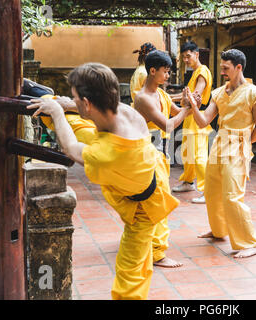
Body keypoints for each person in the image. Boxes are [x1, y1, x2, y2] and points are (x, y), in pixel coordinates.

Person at [27, 62, 179, 300]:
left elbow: (70, 148)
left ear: (87, 103)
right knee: (79, 124)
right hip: (141, 167)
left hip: (144, 209)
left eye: (76, 98)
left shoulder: (104, 155)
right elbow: (87, 120)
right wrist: (65, 104)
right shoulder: (126, 112)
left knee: (130, 273)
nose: (73, 101)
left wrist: (57, 112)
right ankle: (45, 97)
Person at [187, 49, 256, 258]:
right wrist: (194, 106)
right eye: (221, 67)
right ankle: (219, 230)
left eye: (226, 68)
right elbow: (204, 120)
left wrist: (245, 143)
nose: (222, 71)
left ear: (238, 67)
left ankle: (250, 243)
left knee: (232, 195)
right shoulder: (219, 93)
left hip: (238, 147)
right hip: (219, 144)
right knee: (212, 192)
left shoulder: (255, 94)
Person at [134, 50, 192, 268]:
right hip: (146, 154)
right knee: (158, 203)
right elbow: (168, 124)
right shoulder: (143, 99)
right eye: (166, 72)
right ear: (152, 70)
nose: (168, 76)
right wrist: (186, 111)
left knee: (155, 201)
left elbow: (177, 111)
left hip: (161, 154)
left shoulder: (162, 94)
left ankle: (148, 245)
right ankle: (158, 253)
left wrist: (188, 104)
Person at [170, 41, 213, 204]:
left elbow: (195, 97)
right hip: (189, 119)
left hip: (197, 118)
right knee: (187, 155)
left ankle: (208, 190)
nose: (186, 60)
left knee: (199, 156)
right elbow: (187, 97)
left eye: (188, 56)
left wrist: (169, 98)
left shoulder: (202, 72)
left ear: (197, 54)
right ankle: (188, 182)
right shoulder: (195, 73)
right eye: (184, 58)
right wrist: (169, 97)